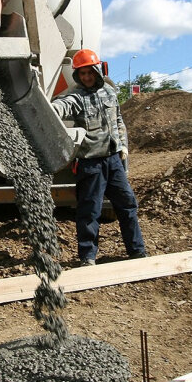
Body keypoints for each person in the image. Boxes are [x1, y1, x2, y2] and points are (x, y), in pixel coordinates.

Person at [51, 49, 146, 266]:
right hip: (90, 163)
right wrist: (51, 108)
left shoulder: (110, 93)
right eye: (81, 73)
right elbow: (62, 106)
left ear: (96, 71)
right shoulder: (75, 96)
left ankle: (137, 251)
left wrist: (123, 145)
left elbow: (119, 119)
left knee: (127, 204)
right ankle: (88, 256)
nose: (86, 77)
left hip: (114, 160)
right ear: (77, 75)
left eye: (89, 73)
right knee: (89, 211)